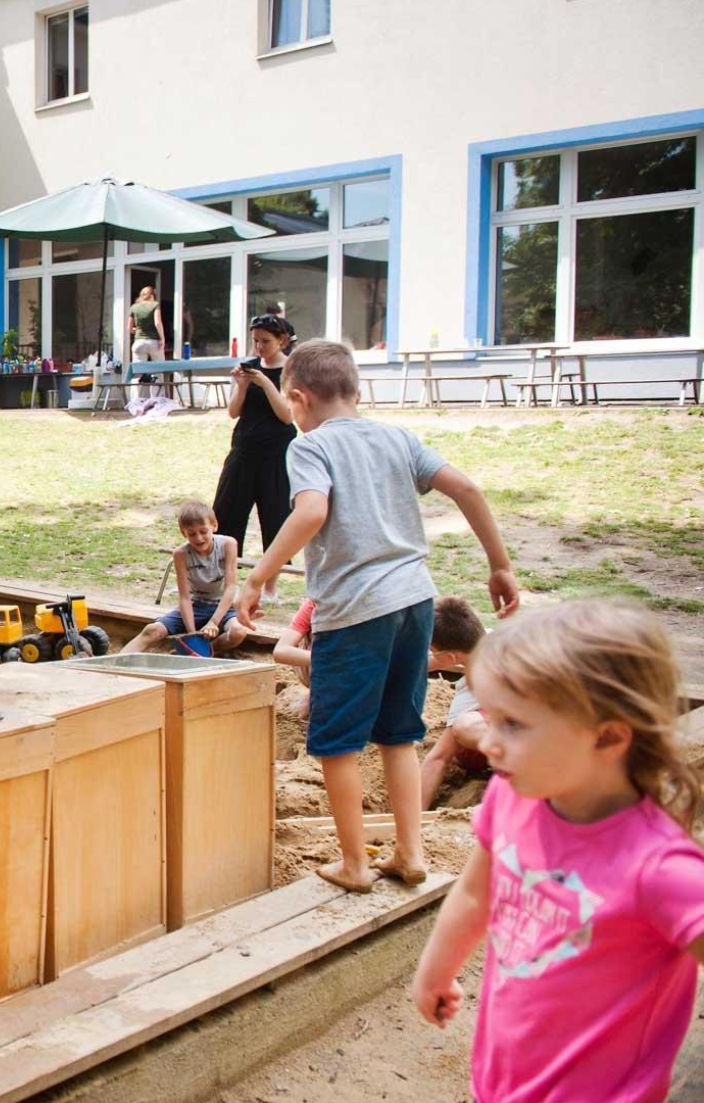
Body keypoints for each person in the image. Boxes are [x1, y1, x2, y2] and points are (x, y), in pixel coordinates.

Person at [237, 340, 519, 893]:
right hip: (416, 602)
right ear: (356, 392)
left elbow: (312, 511)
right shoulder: (397, 437)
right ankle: (410, 855)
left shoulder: (309, 446)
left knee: (337, 741)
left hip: (355, 610)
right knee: (398, 733)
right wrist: (500, 565)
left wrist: (256, 575)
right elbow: (465, 486)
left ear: (297, 398)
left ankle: (355, 863)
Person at [410, 601, 704, 1103]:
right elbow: (476, 896)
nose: (490, 745)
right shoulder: (511, 798)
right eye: (491, 719)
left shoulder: (660, 870)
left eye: (514, 725)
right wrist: (435, 971)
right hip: (503, 1077)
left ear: (608, 737)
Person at [213, 315, 298, 600]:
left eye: (266, 341)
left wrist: (265, 384)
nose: (260, 347)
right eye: (256, 341)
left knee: (274, 516)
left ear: (282, 340)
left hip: (276, 452)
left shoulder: (292, 370)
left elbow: (287, 415)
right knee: (226, 511)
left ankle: (270, 588)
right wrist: (243, 385)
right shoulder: (249, 368)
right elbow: (233, 412)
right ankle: (221, 582)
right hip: (244, 448)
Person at [124, 501, 246, 655]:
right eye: (192, 534)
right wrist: (191, 633)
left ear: (214, 526)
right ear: (184, 533)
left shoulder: (228, 544)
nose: (199, 538)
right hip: (197, 605)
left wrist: (214, 622)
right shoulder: (181, 554)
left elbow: (231, 587)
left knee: (238, 632)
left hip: (224, 606)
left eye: (203, 531)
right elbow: (185, 597)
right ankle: (112, 664)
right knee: (152, 630)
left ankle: (204, 651)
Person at [418, 595, 490, 810]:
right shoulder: (491, 641)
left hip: (543, 745)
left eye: (431, 649)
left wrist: (414, 818)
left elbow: (438, 759)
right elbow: (429, 663)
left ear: (450, 658)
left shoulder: (476, 681)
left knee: (465, 729)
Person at [272, 596, 318, 719]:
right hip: (326, 664)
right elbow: (281, 651)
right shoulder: (314, 603)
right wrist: (331, 659)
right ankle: (315, 691)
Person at [128, 285, 167, 398]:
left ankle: (135, 400)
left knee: (137, 373)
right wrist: (162, 338)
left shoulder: (134, 307)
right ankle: (157, 399)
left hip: (138, 343)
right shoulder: (155, 305)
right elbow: (157, 323)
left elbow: (129, 328)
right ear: (152, 295)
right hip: (153, 341)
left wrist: (138, 330)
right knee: (158, 371)